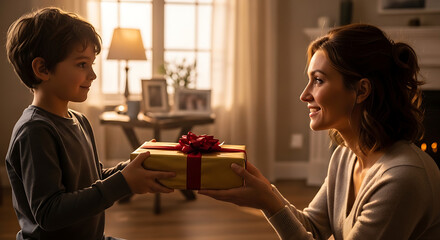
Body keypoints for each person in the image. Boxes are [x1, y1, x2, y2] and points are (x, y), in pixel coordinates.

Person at [199, 23, 440, 239]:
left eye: (319, 80)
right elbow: (313, 227)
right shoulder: (345, 157)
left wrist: (268, 201)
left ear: (362, 90)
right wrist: (267, 195)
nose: (304, 95)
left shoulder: (401, 178)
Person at [5, 7, 175, 240]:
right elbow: (49, 213)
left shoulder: (80, 120)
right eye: (82, 64)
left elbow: (93, 179)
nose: (93, 75)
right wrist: (124, 182)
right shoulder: (35, 131)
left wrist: (133, 166)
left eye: (91, 64)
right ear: (42, 69)